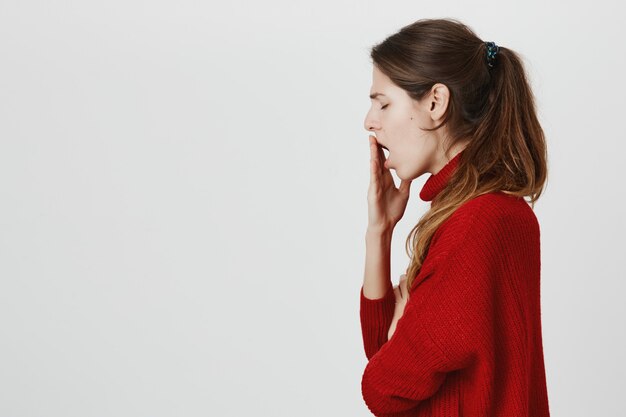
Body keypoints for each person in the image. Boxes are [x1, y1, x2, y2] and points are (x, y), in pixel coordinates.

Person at [359, 18, 550, 417]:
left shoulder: (477, 223)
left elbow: (382, 389)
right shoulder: (477, 213)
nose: (369, 121)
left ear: (435, 103)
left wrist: (401, 327)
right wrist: (380, 232)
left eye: (383, 102)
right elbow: (383, 355)